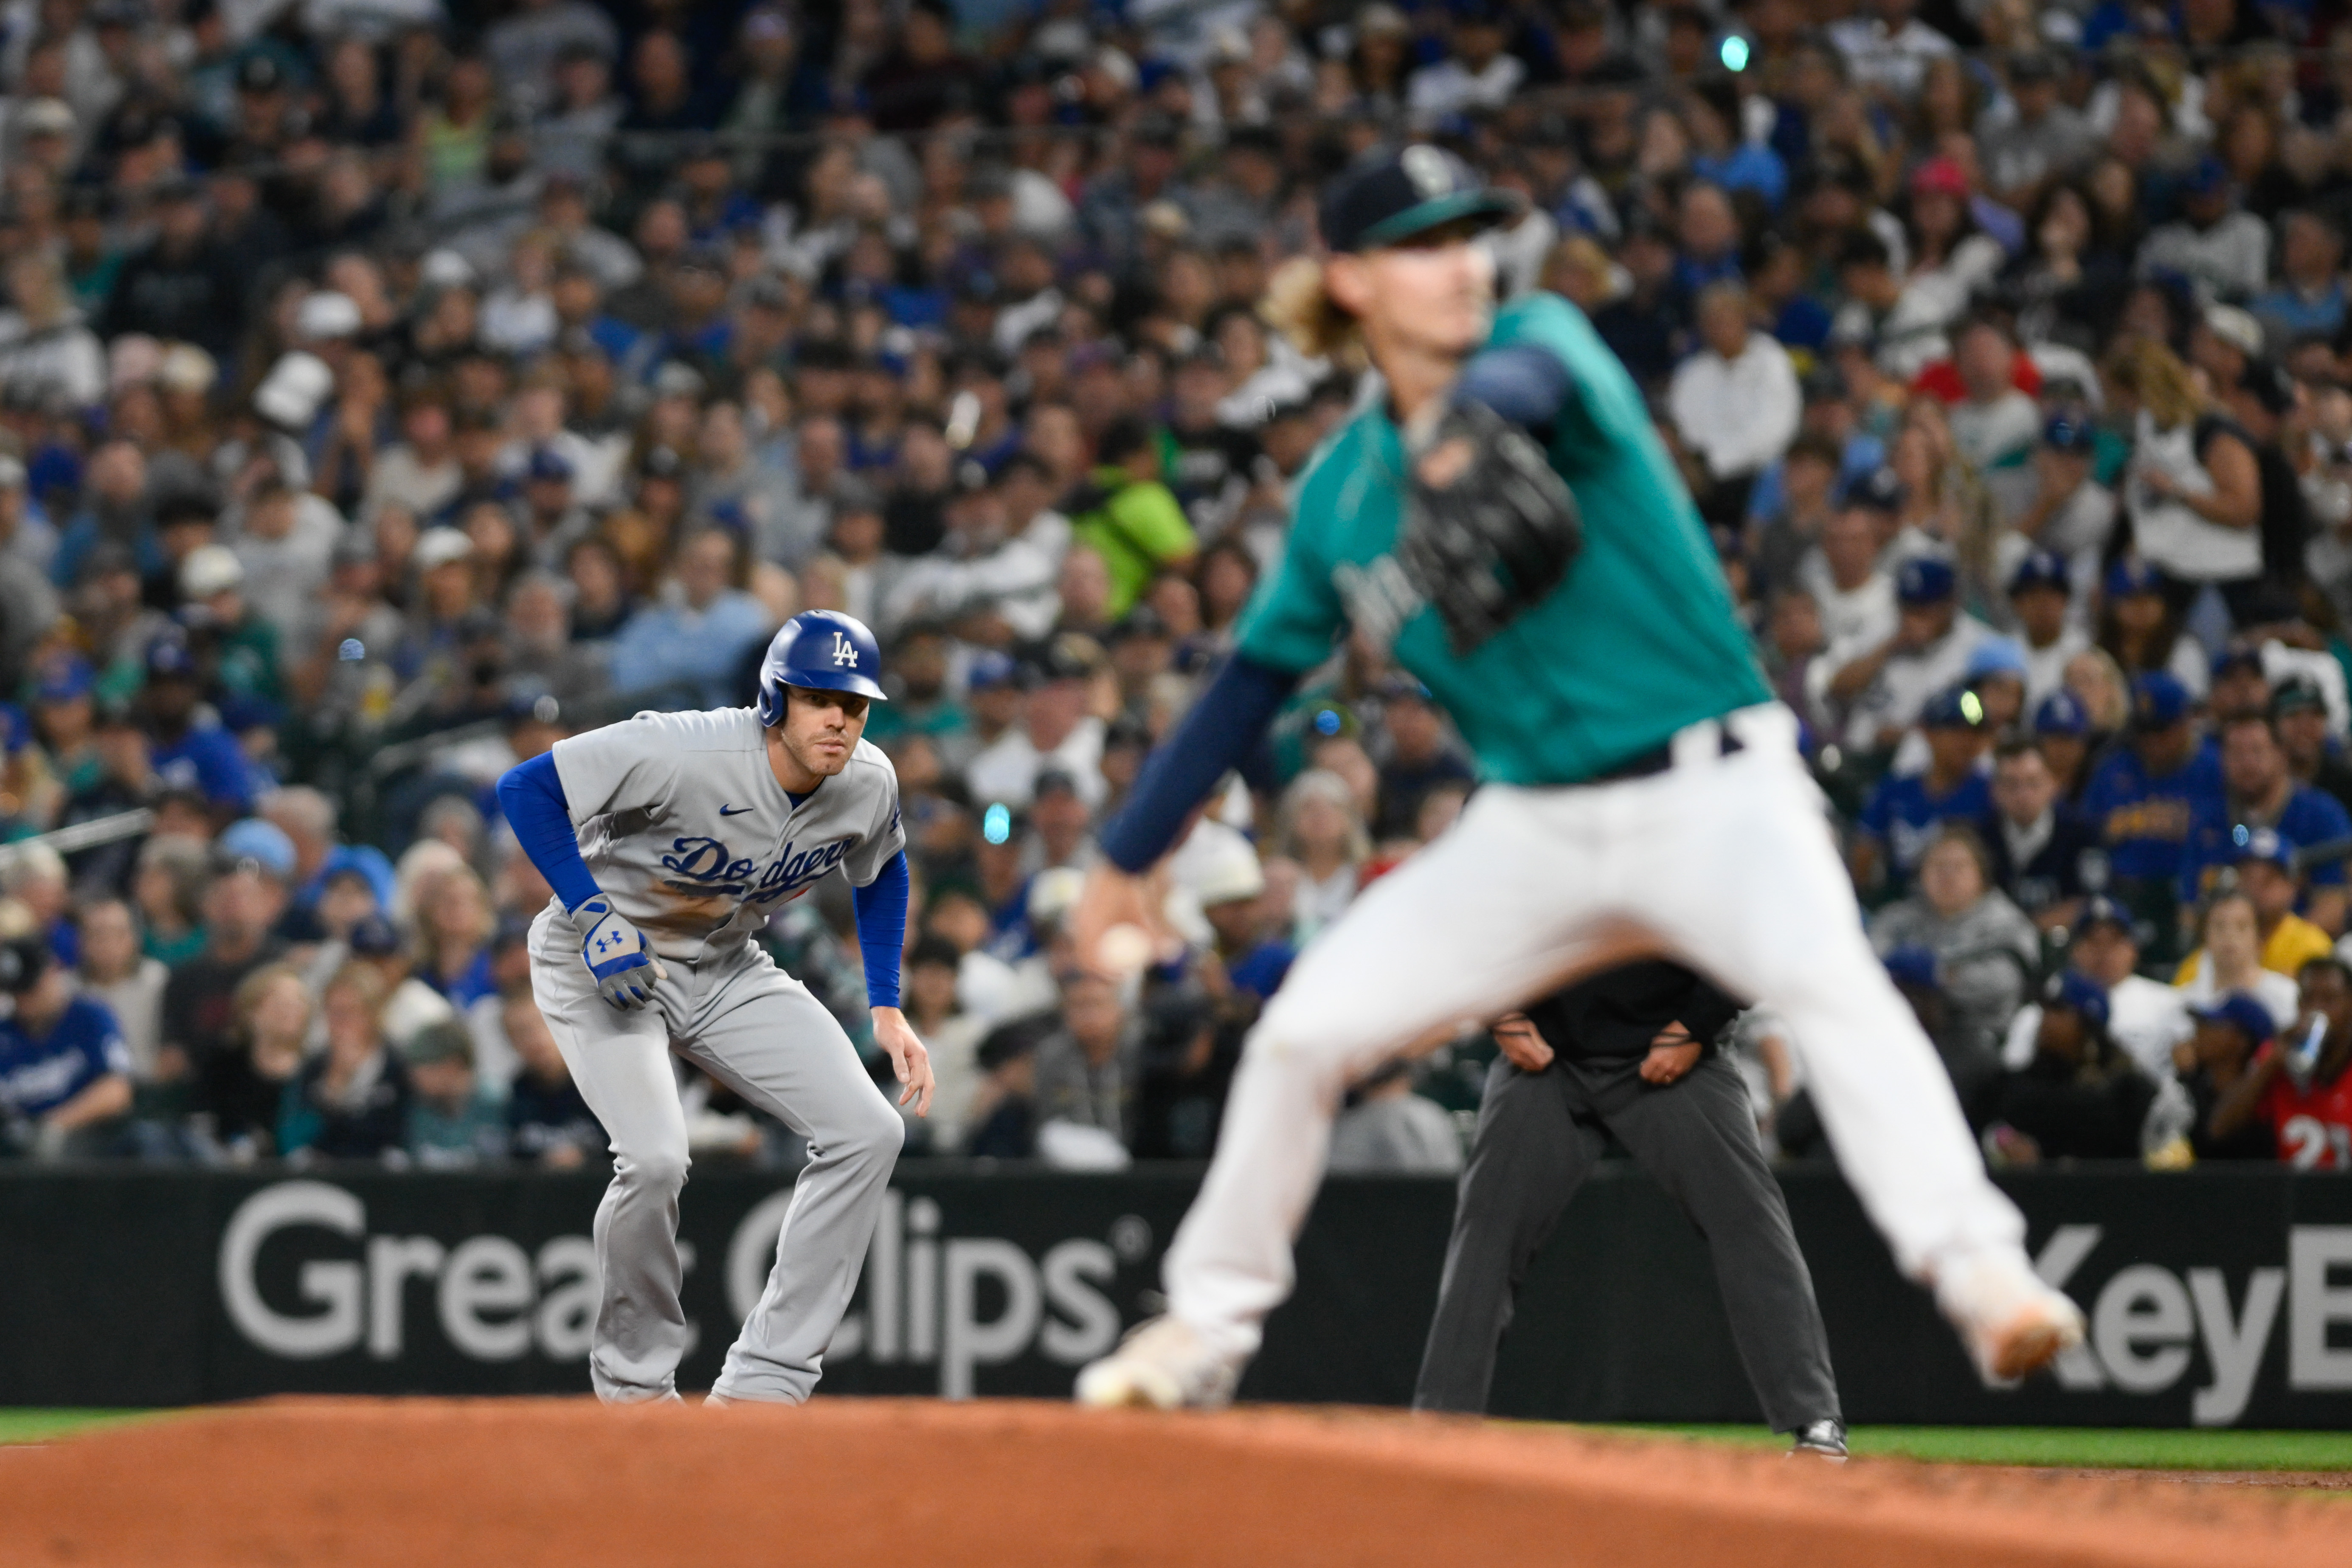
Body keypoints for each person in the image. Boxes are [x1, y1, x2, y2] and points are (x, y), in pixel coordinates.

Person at [1069, 148, 2082, 1412]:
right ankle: (1202, 1330)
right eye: (1424, 244)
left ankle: (1982, 1274)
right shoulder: (1337, 498)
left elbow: (1518, 377)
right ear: (1347, 279)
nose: (1465, 265)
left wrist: (1458, 433)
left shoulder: (1544, 342)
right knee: (1301, 1036)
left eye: (1473, 235)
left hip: (1712, 787)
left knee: (1829, 982)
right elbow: (1246, 683)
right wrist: (1122, 859)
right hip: (1533, 826)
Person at [495, 608, 928, 1405]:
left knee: (870, 1130)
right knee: (657, 1159)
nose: (840, 718)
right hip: (600, 959)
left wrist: (886, 1004)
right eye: (818, 697)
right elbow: (525, 788)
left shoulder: (867, 779)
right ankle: (633, 1389)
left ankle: (769, 1381)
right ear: (774, 698)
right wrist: (592, 913)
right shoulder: (683, 748)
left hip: (725, 964)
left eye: (855, 703)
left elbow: (883, 871)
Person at [1414, 962, 1846, 1459]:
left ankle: (1814, 1420)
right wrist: (1500, 1016)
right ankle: (1438, 1426)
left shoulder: (1692, 878)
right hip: (1544, 1059)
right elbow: (1480, 922)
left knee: (1750, 1224)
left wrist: (1695, 1025)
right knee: (1486, 1232)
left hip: (1675, 1048)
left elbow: (1738, 933)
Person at [1986, 970, 2158, 1164]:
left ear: (2088, 1023)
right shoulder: (2013, 1085)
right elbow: (1989, 1127)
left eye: (2059, 1011)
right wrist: (2003, 1140)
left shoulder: (2127, 1092)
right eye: (2045, 1010)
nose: (2047, 1020)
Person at [2206, 956, 2352, 1169]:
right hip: (2293, 1196)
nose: (2318, 1010)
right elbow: (2219, 1128)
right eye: (2309, 1000)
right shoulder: (2279, 1055)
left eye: (2329, 1000)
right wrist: (2269, 1065)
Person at [0, 929, 132, 1159]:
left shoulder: (90, 1016)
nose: (23, 1000)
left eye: (31, 989)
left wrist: (55, 1125)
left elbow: (117, 1091)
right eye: (16, 992)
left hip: (87, 1154)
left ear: (53, 971)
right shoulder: (5, 1034)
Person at [2171, 993, 2281, 1162]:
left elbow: (2209, 1145)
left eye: (2212, 1025)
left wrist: (2189, 1077)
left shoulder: (2259, 1101)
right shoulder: (2198, 1085)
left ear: (2241, 1042)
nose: (2199, 1030)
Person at [2175, 888, 2304, 1029]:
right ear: (2204, 936)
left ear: (2259, 937)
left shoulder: (2286, 996)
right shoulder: (2188, 1002)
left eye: (2242, 927)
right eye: (2220, 927)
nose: (2230, 936)